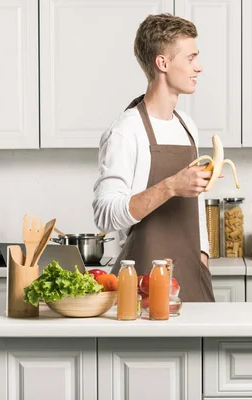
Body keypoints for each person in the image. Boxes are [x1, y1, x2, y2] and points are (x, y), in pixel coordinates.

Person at [92, 14, 215, 302]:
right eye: (191, 58)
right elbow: (104, 215)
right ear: (162, 63)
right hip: (143, 278)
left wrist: (203, 255)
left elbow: (195, 208)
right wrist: (171, 186)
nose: (199, 66)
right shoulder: (125, 131)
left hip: (192, 272)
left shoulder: (187, 126)